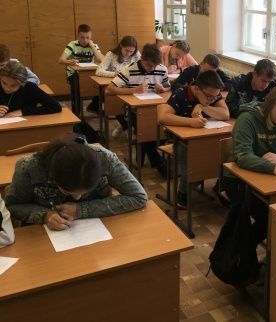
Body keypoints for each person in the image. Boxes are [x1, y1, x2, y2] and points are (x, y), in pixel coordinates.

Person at [220, 84, 276, 246]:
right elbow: (243, 156)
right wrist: (274, 168)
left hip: (270, 179)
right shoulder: (247, 119)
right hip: (238, 180)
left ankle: (263, 252)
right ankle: (242, 250)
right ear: (273, 102)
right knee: (272, 218)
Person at [5, 137, 147, 230]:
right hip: (43, 236)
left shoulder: (106, 159)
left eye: (86, 191)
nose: (78, 198)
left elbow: (139, 197)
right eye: (68, 192)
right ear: (52, 177)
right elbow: (13, 205)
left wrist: (81, 210)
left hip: (95, 229)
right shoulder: (28, 167)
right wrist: (44, 215)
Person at [157, 70, 229, 207]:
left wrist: (204, 106)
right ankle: (183, 192)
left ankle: (219, 185)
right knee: (191, 161)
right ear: (197, 88)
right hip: (180, 140)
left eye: (214, 97)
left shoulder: (213, 93)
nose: (212, 99)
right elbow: (162, 117)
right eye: (209, 97)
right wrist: (190, 122)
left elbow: (225, 114)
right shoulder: (181, 93)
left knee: (222, 152)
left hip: (204, 137)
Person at [106, 43, 170, 177]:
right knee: (144, 130)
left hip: (156, 108)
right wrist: (133, 90)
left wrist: (163, 89)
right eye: (149, 65)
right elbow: (110, 89)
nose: (152, 69)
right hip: (133, 110)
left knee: (150, 131)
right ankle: (158, 163)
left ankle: (140, 160)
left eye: (155, 66)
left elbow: (168, 87)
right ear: (142, 59)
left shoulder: (162, 69)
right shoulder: (130, 69)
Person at [95, 36, 141, 138]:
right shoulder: (111, 54)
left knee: (138, 108)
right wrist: (116, 74)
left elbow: (142, 68)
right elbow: (99, 71)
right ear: (121, 46)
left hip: (131, 86)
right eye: (126, 50)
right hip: (116, 86)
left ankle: (129, 126)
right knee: (115, 104)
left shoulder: (136, 54)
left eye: (131, 51)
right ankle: (125, 125)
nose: (129, 53)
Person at [58, 24, 104, 114]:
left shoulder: (93, 45)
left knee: (101, 83)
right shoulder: (73, 44)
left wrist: (92, 46)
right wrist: (70, 61)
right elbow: (61, 60)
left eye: (88, 37)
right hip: (73, 73)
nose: (85, 40)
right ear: (78, 36)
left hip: (88, 73)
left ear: (91, 36)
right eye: (82, 37)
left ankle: (94, 106)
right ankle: (77, 113)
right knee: (77, 86)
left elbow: (102, 60)